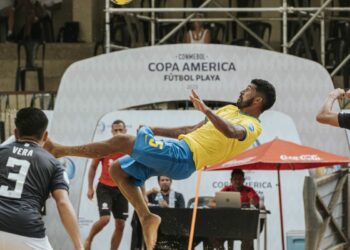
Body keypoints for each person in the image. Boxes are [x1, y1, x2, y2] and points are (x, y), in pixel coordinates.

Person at [44, 79, 276, 250]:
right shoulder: (229, 110)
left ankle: (60, 150)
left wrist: (206, 109)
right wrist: (157, 130)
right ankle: (147, 216)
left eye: (247, 90)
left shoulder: (253, 125)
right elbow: (189, 130)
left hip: (186, 158)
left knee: (123, 141)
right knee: (117, 169)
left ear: (257, 100)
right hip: (178, 151)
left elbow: (231, 130)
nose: (241, 90)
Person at [0, 107, 83, 250]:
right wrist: (78, 245)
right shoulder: (54, 164)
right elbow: (63, 203)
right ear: (45, 136)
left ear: (15, 133)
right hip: (26, 230)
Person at [84, 120, 129, 250]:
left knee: (121, 224)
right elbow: (92, 167)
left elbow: (137, 171)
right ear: (111, 132)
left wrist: (142, 193)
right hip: (105, 187)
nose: (118, 133)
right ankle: (89, 239)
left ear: (125, 131)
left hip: (123, 189)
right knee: (105, 219)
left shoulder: (130, 149)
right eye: (115, 130)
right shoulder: (104, 147)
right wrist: (90, 187)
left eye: (121, 130)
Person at [207, 169, 259, 250]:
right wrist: (223, 205)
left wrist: (253, 201)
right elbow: (210, 203)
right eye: (235, 179)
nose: (237, 181)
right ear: (231, 180)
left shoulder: (249, 190)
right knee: (212, 236)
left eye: (240, 179)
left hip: (243, 225)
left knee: (248, 238)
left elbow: (255, 202)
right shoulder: (226, 189)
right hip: (226, 224)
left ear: (244, 180)